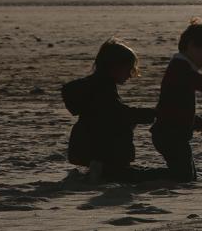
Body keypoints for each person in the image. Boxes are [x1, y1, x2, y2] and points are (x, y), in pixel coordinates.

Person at [150, 18, 202, 182]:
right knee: (183, 176)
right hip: (169, 134)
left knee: (188, 174)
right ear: (191, 46)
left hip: (175, 133)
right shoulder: (179, 68)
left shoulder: (182, 68)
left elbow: (178, 106)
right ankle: (131, 175)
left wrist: (196, 122)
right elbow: (198, 81)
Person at [61, 38, 156, 182]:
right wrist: (154, 114)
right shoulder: (102, 89)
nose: (130, 74)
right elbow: (121, 114)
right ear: (115, 67)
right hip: (94, 147)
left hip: (81, 144)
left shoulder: (93, 86)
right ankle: (103, 169)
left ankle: (100, 167)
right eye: (128, 69)